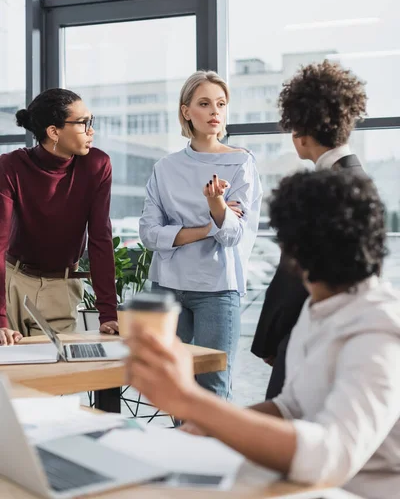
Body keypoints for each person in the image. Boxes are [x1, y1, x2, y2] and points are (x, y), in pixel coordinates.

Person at [126, 170, 400, 499]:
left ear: (293, 250)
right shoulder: (324, 306)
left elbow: (329, 458)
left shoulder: (380, 329)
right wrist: (211, 427)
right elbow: (291, 406)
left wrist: (191, 401)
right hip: (301, 483)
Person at [139, 70, 262, 399]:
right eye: (204, 103)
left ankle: (214, 452)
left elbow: (234, 236)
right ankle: (185, 451)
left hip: (217, 290)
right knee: (174, 385)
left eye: (221, 104)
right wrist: (211, 224)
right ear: (186, 111)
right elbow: (149, 234)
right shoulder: (164, 168)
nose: (215, 112)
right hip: (166, 288)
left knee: (213, 385)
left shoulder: (241, 163)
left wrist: (215, 205)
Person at [251, 60, 368, 398]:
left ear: (299, 133)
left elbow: (293, 273)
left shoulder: (320, 189)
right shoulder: (360, 180)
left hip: (309, 333)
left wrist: (268, 343)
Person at [0, 88, 118, 346]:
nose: (91, 130)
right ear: (54, 132)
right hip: (12, 283)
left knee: (55, 377)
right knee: (8, 380)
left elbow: (100, 239)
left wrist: (108, 314)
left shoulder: (97, 166)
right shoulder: (10, 166)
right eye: (83, 123)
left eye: (91, 121)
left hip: (61, 288)